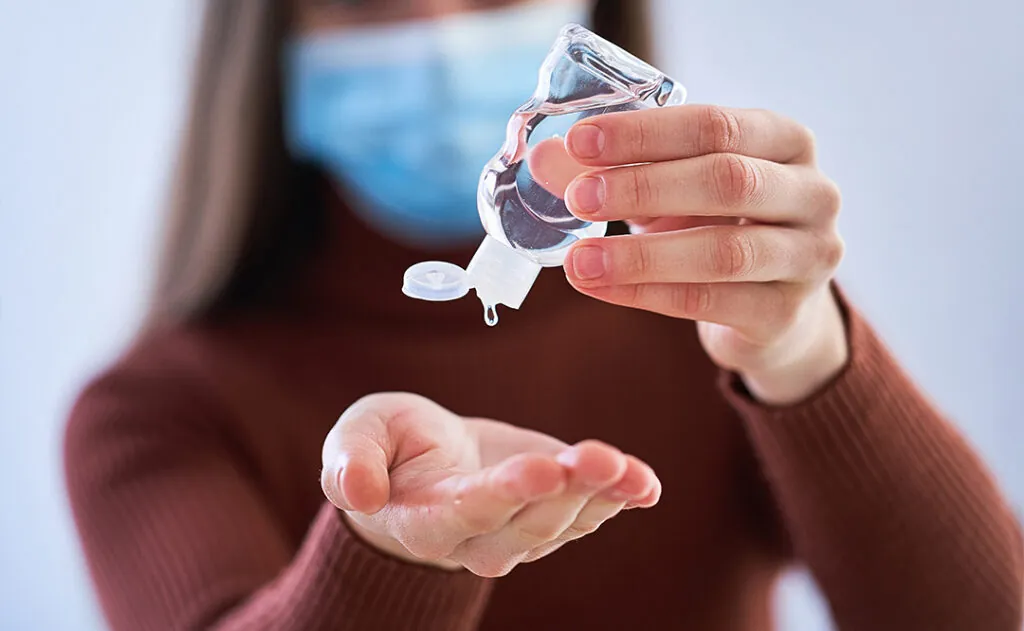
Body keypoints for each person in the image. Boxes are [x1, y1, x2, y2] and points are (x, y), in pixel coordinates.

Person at [63, 0, 1023, 629]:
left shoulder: (704, 322)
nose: (436, 27)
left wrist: (810, 355)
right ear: (273, 38)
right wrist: (383, 550)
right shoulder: (155, 411)